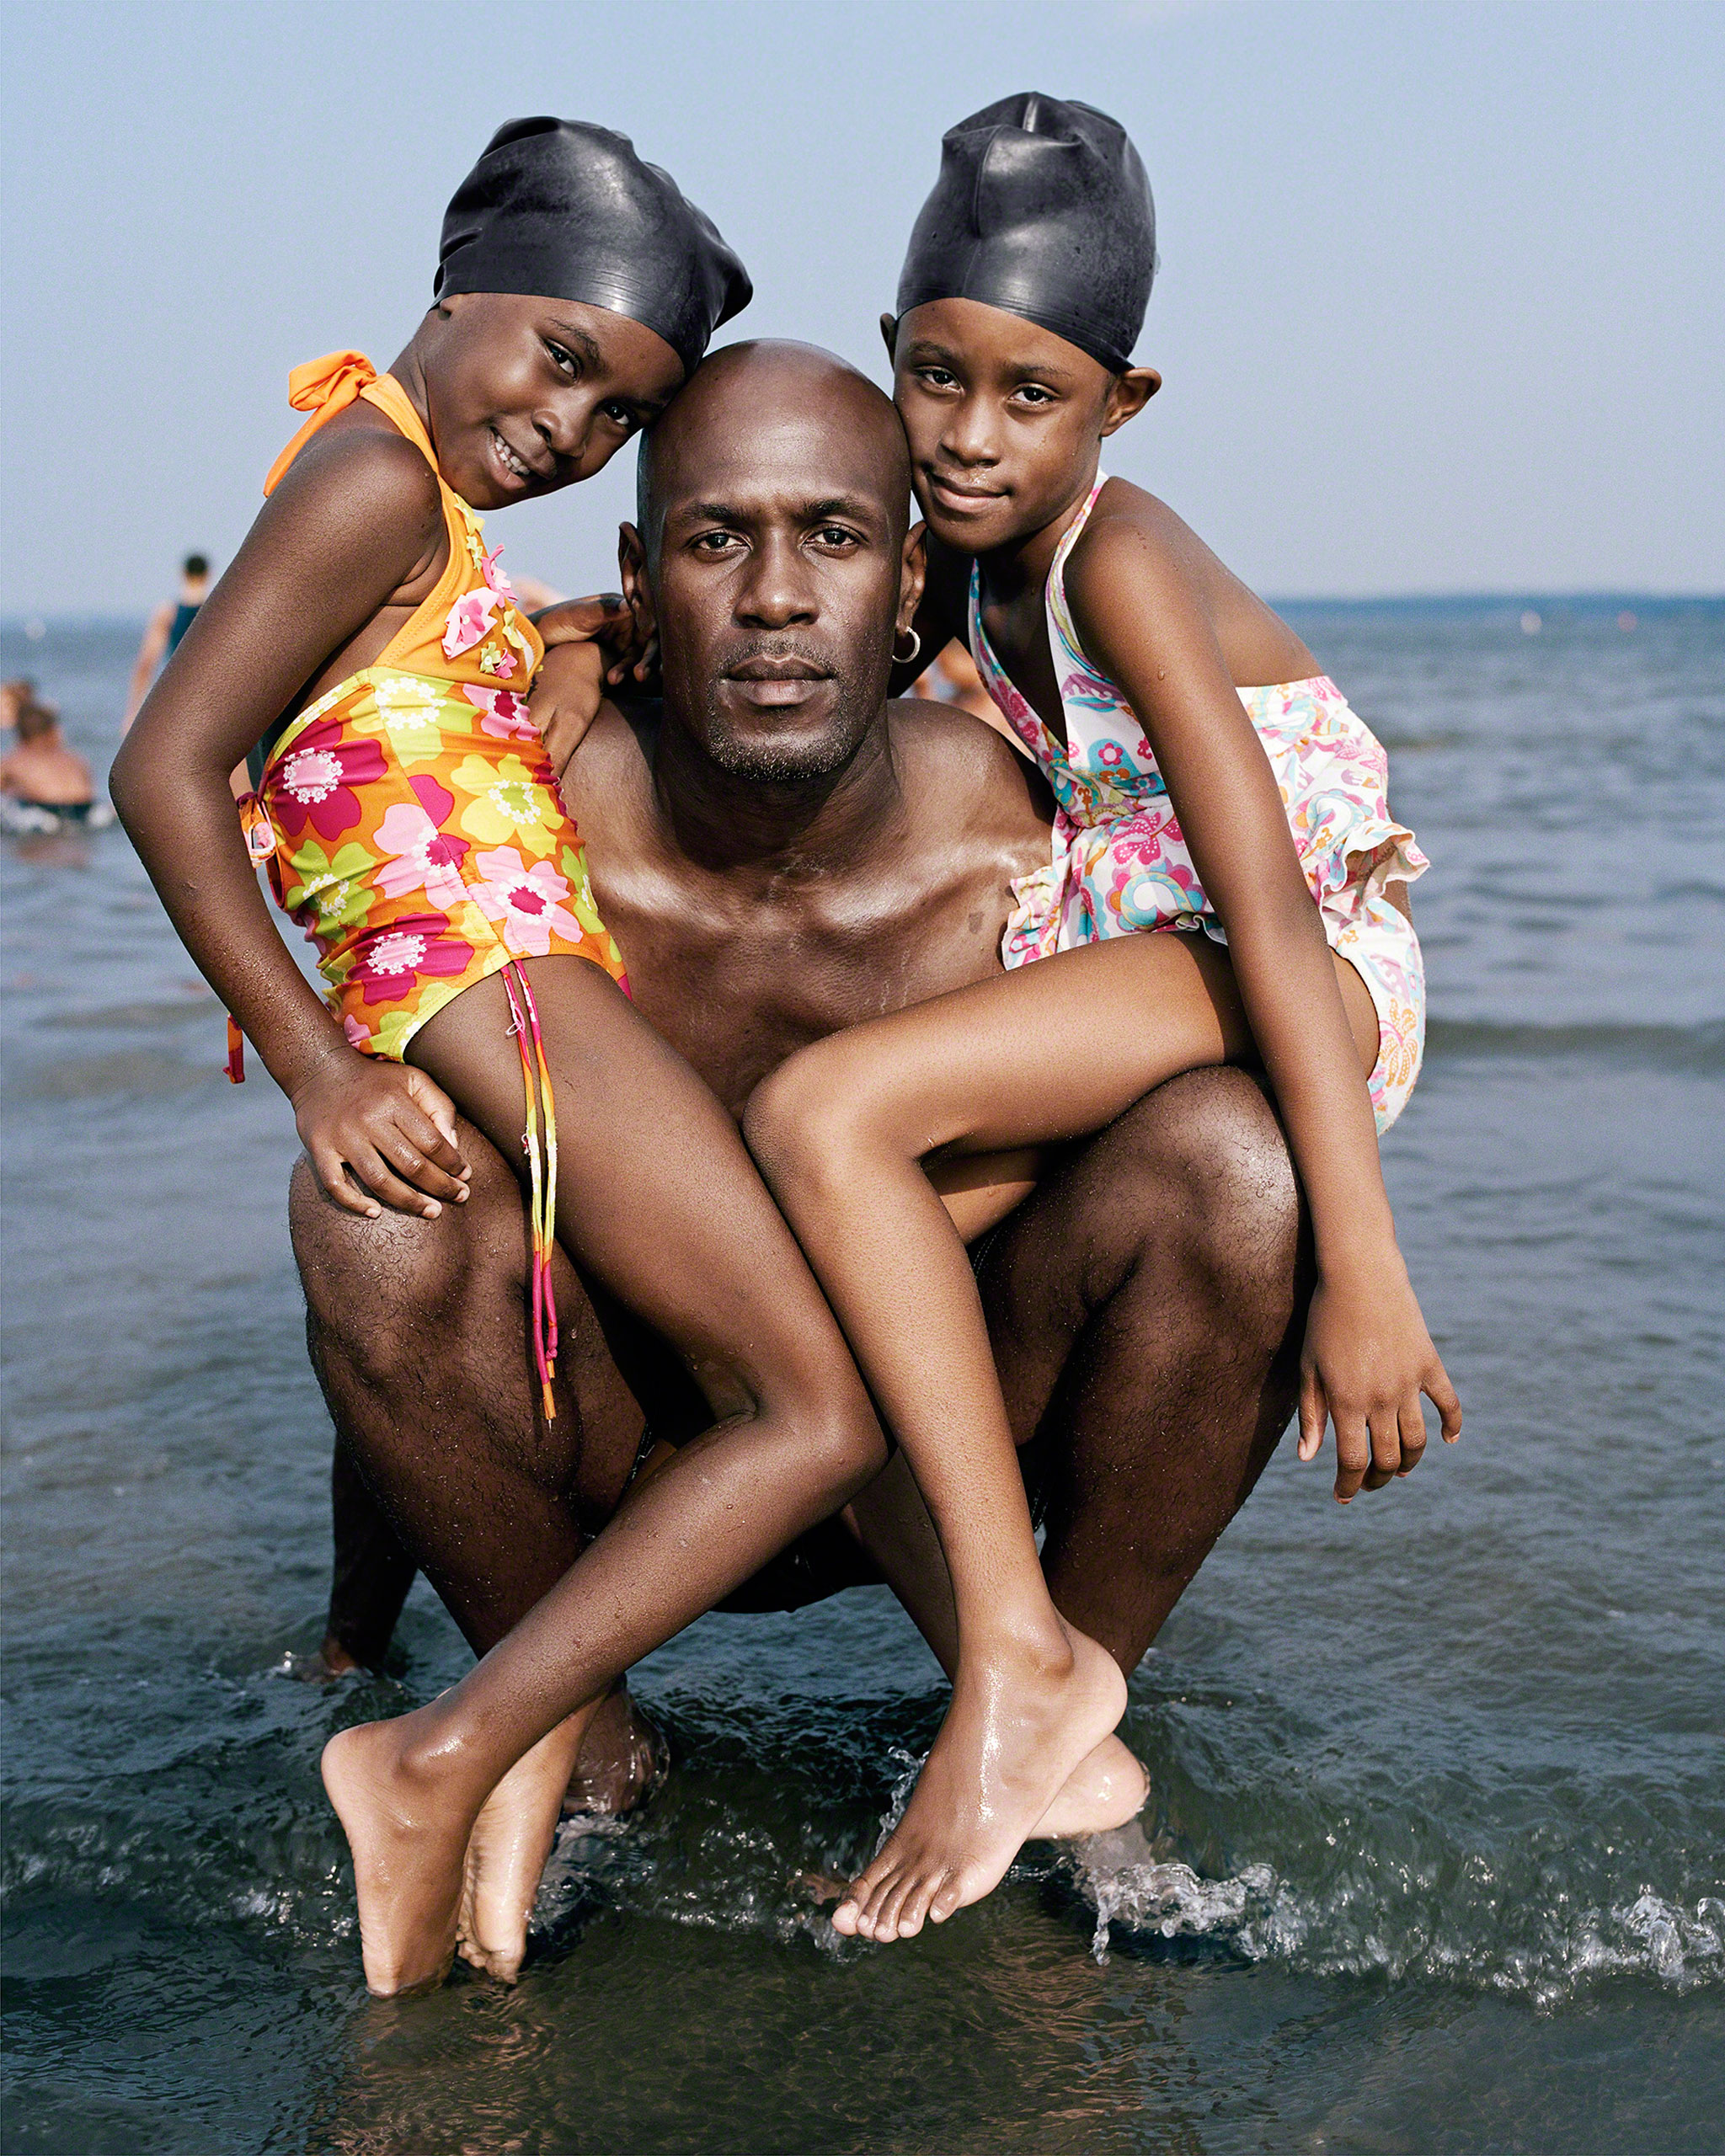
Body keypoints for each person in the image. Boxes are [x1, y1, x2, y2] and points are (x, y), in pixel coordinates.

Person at [291, 340, 1440, 1976]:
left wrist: (1364, 1250)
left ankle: (1045, 1706)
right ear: (639, 574)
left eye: (832, 537)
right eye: (712, 541)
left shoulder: (1022, 847)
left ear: (911, 580)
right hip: (631, 1478)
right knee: (379, 1193)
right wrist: (358, 1621)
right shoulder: (527, 822)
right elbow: (398, 1236)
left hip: (918, 1456)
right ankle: (576, 1726)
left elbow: (1267, 960)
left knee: (1236, 1157)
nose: (773, 596)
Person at [111, 120, 895, 1999]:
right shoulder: (374, 476)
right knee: (820, 1410)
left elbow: (387, 708)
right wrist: (314, 1066)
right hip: (498, 989)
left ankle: (432, 1697)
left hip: (479, 987)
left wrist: (557, 642)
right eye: (560, 359)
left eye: (617, 414)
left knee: (475, 1341)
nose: (570, 429)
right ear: (458, 285)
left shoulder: (394, 497)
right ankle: (449, 1749)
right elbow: (162, 767)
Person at [740, 93, 1461, 1944]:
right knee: (809, 1283)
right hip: (1148, 968)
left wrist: (1364, 1269)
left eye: (1030, 395)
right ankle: (1058, 1728)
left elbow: (1270, 901)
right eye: (936, 379)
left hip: (1273, 962)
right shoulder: (959, 567)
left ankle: (1012, 1672)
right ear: (895, 352)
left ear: (1119, 405)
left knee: (823, 1118)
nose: (970, 436)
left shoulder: (1118, 558)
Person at [122, 554, 211, 728]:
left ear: (183, 574)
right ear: (208, 574)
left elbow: (146, 664)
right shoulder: (218, 610)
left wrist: (132, 711)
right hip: (211, 695)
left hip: (178, 694)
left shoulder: (168, 612)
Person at [0, 696, 103, 828]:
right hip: (87, 810)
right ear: (52, 731)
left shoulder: (15, 761)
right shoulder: (75, 759)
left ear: (19, 733)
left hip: (46, 813)